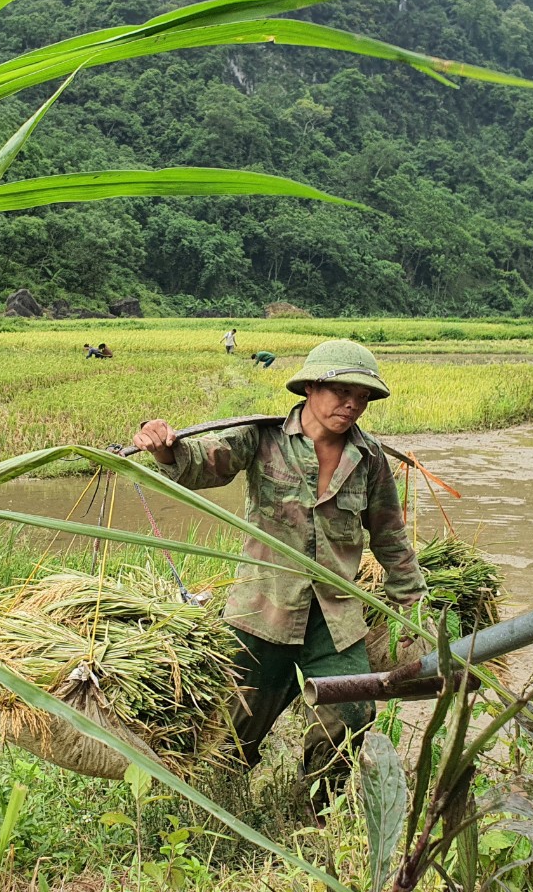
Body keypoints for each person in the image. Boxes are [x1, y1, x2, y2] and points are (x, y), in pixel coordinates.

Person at [131, 339, 423, 811]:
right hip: (262, 611)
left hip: (336, 619)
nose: (352, 405)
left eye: (363, 396)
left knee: (352, 717)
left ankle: (318, 809)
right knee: (235, 726)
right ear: (310, 386)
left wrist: (415, 608)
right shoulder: (261, 439)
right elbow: (199, 463)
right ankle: (215, 807)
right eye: (341, 391)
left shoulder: (370, 460)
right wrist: (163, 446)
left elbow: (390, 537)